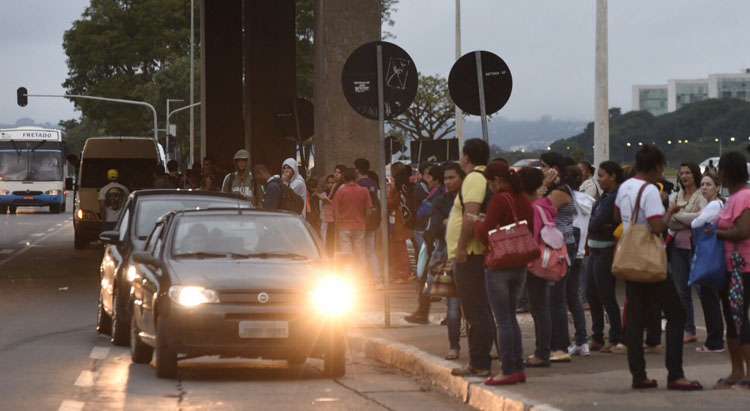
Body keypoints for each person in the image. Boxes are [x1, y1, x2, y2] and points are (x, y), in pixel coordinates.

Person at [616, 144, 702, 391]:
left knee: (635, 317)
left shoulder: (625, 187)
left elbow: (617, 216)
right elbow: (656, 227)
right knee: (676, 314)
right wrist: (669, 214)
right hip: (650, 261)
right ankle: (675, 374)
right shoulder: (650, 190)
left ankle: (639, 375)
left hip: (630, 257)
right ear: (656, 166)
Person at [475, 161, 534, 386]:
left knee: (503, 321)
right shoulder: (523, 200)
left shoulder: (500, 199)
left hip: (499, 265)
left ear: (496, 181)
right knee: (511, 318)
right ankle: (517, 367)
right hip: (520, 264)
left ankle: (508, 369)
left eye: (489, 182)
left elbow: (485, 233)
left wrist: (477, 223)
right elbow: (532, 228)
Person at [448, 139, 495, 378]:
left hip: (473, 253)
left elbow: (471, 215)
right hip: (477, 252)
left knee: (475, 309)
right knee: (478, 308)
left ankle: (479, 362)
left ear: (466, 157)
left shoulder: (475, 178)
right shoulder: (483, 177)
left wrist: (461, 247)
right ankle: (480, 360)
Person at [539, 152, 587, 362]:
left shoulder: (558, 192)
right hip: (563, 244)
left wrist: (542, 185)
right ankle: (560, 343)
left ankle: (559, 345)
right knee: (559, 297)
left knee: (556, 298)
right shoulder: (559, 189)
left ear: (554, 169)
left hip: (561, 247)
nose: (541, 170)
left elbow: (539, 209)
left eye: (543, 166)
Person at [716, 151, 750, 389]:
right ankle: (737, 370)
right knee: (732, 318)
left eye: (720, 170)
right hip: (731, 268)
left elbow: (743, 231)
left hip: (743, 268)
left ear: (728, 172)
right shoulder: (733, 197)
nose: (718, 175)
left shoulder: (744, 197)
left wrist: (714, 234)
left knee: (740, 320)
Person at [586, 161, 626, 354]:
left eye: (602, 175)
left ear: (613, 176)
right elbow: (594, 221)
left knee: (605, 294)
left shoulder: (613, 197)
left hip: (606, 250)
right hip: (595, 249)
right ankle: (597, 336)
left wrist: (597, 224)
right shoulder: (605, 196)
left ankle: (616, 336)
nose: (599, 179)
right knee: (592, 293)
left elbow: (595, 223)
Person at [666, 163, 706, 344]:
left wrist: (678, 216)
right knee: (681, 291)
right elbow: (668, 222)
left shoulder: (701, 195)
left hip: (695, 247)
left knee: (702, 289)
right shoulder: (676, 196)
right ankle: (689, 329)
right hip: (677, 248)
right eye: (681, 173)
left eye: (688, 172)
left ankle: (714, 330)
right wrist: (686, 219)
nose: (684, 176)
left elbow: (701, 218)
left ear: (695, 174)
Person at [405, 163, 446, 324]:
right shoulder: (437, 194)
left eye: (428, 176)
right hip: (434, 239)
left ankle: (423, 313)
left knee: (428, 276)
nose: (425, 178)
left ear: (435, 179)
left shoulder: (438, 196)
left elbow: (424, 212)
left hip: (437, 242)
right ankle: (424, 312)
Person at [690, 173, 725, 354]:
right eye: (702, 184)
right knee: (710, 299)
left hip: (708, 258)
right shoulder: (717, 204)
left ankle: (714, 341)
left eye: (709, 185)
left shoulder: (713, 205)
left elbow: (696, 223)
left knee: (709, 299)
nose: (704, 187)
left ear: (717, 187)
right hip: (713, 256)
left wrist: (686, 216)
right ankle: (715, 339)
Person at [332, 168, 373, 266]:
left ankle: (349, 275)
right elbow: (369, 210)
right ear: (356, 177)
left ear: (344, 178)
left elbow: (335, 211)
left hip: (344, 226)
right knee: (360, 253)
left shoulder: (340, 192)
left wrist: (338, 224)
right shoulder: (364, 191)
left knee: (346, 254)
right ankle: (362, 275)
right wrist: (364, 220)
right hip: (360, 225)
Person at [355, 158, 382, 286]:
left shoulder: (358, 185)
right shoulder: (374, 183)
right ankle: (377, 279)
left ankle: (364, 280)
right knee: (371, 251)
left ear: (357, 169)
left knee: (360, 251)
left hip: (361, 221)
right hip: (374, 220)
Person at [317, 173, 338, 257]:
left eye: (333, 183)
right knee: (324, 240)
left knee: (333, 242)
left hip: (334, 220)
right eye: (329, 183)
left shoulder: (337, 193)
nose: (330, 185)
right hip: (325, 220)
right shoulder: (323, 194)